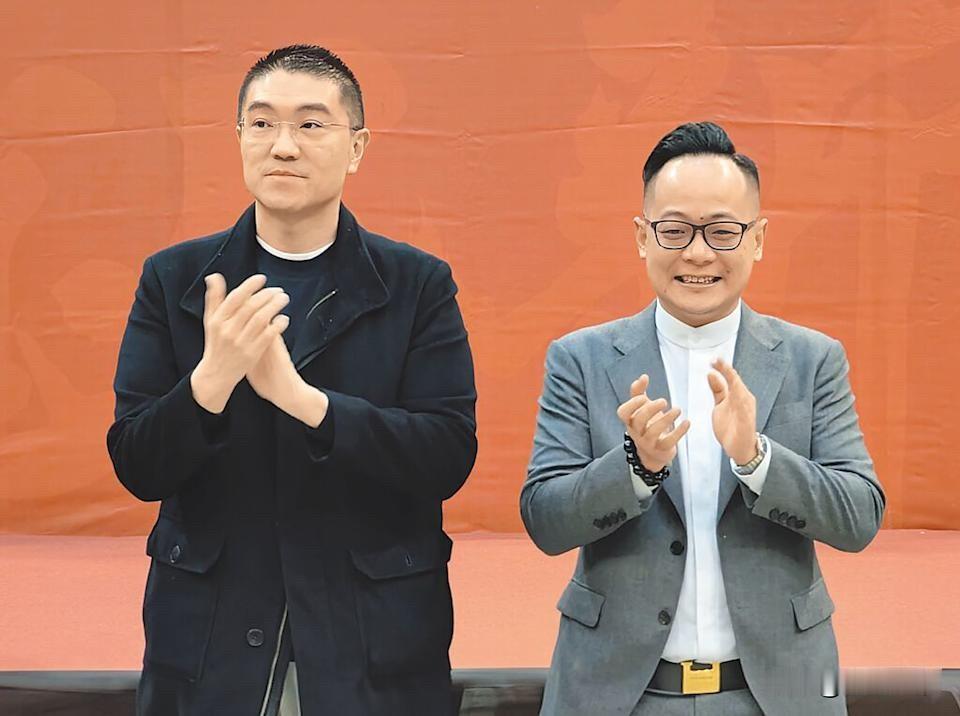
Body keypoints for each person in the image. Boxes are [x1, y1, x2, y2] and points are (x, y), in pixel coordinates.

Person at [107, 44, 477, 716]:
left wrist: (304, 402)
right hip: (210, 644)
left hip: (372, 642)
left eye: (310, 124)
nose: (283, 146)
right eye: (262, 123)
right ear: (239, 137)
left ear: (356, 147)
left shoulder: (416, 285)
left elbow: (446, 455)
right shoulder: (174, 279)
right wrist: (211, 381)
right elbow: (136, 463)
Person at [520, 122, 884, 716]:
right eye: (674, 230)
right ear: (641, 237)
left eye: (722, 230)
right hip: (616, 695)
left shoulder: (812, 359)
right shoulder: (580, 359)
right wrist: (635, 467)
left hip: (775, 695)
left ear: (758, 239)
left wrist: (756, 459)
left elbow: (859, 516)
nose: (697, 253)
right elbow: (544, 519)